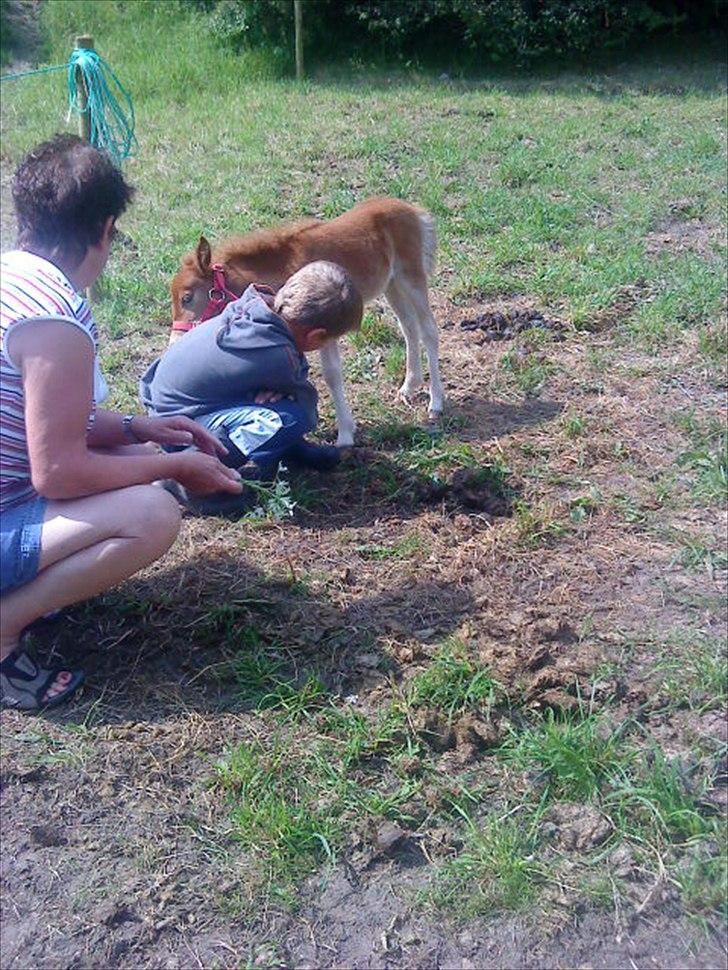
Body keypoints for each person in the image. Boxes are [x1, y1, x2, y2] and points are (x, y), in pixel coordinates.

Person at [0, 134, 243, 711]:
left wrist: (143, 430)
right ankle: (4, 629)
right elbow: (56, 472)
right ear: (106, 229)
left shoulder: (13, 279)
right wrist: (177, 465)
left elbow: (50, 418)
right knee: (152, 513)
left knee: (139, 468)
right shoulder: (55, 314)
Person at [139, 260, 363, 515]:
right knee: (289, 418)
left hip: (165, 403)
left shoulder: (254, 304)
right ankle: (188, 481)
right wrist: (285, 394)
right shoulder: (279, 354)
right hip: (183, 425)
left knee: (278, 407)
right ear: (315, 337)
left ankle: (290, 451)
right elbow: (307, 408)